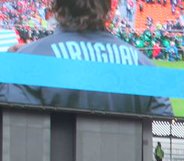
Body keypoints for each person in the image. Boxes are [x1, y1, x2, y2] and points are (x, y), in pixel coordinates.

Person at [0, 0, 173, 116]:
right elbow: (159, 144)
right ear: (110, 7)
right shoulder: (147, 69)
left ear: (56, 5)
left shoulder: (25, 62)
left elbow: (15, 142)